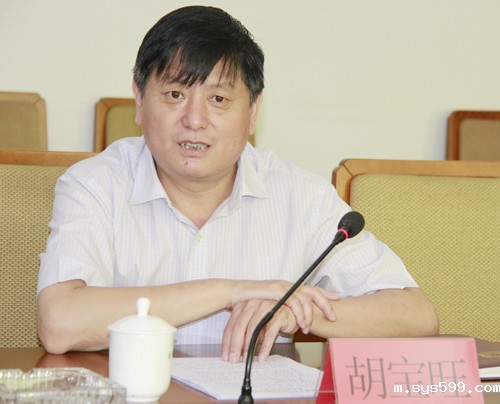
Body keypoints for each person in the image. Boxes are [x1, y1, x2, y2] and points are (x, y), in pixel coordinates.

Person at [36, 6, 438, 361]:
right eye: (175, 94)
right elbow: (60, 323)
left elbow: (416, 314)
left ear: (253, 111)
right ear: (139, 101)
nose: (195, 120)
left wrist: (293, 309)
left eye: (219, 100)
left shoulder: (301, 195)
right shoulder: (95, 185)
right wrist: (231, 291)